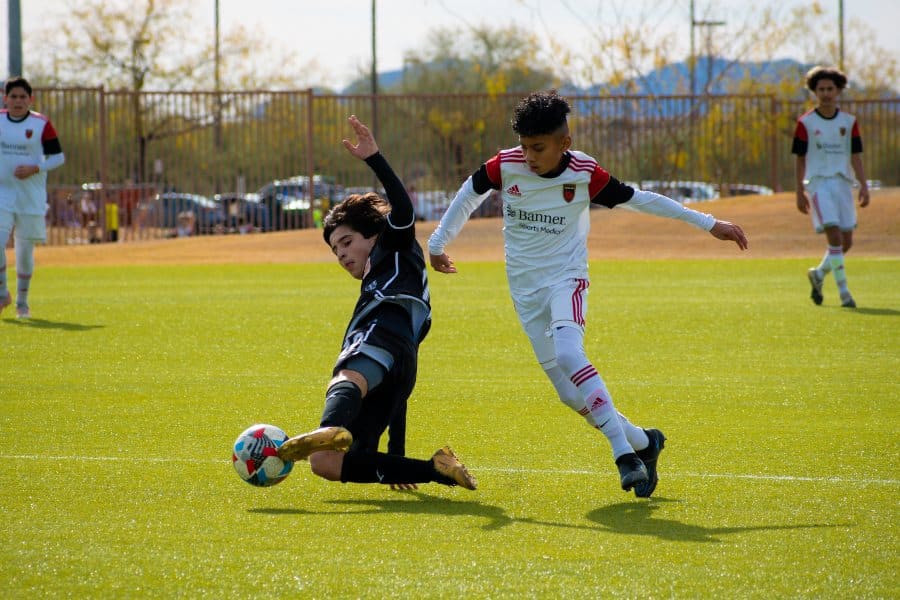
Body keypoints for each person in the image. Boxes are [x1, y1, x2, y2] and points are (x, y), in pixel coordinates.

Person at [428, 90, 747, 497]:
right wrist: (438, 244)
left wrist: (707, 222)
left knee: (568, 353)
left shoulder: (583, 173)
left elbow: (640, 200)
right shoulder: (504, 165)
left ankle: (622, 455)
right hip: (525, 292)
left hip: (567, 280)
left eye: (538, 148)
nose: (528, 156)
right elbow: (467, 194)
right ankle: (644, 443)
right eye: (524, 146)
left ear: (565, 143)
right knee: (566, 393)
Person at [276, 115, 477, 492]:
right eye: (336, 251)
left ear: (373, 234)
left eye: (347, 242)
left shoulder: (393, 244)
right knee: (327, 463)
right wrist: (397, 453)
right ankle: (438, 469)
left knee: (348, 375)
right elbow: (395, 383)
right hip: (403, 362)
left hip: (381, 329)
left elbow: (402, 210)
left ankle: (329, 425)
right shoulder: (383, 275)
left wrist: (375, 159)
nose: (342, 255)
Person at [792, 66, 869, 308]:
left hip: (843, 184)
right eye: (821, 89)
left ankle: (818, 274)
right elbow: (800, 158)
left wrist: (864, 185)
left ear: (838, 91)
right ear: (814, 92)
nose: (825, 94)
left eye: (830, 89)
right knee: (834, 237)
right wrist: (799, 191)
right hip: (819, 185)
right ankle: (845, 294)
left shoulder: (849, 122)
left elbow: (855, 155)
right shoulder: (805, 123)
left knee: (846, 242)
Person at [0, 76, 65, 319]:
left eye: (22, 97)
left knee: (24, 252)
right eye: (13, 97)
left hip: (30, 196)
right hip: (2, 193)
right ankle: (2, 293)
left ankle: (22, 302)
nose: (18, 101)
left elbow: (58, 158)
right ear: (5, 99)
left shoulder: (41, 124)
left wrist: (35, 168)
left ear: (30, 99)